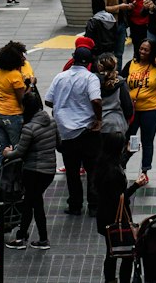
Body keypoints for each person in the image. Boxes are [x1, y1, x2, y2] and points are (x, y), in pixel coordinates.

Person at [45, 45, 102, 213]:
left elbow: (48, 100)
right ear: (90, 62)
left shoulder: (60, 77)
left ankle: (75, 205)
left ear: (73, 58)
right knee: (92, 169)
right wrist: (98, 119)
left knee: (72, 171)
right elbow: (96, 100)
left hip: (66, 133)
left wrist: (63, 107)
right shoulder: (90, 78)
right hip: (87, 130)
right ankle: (93, 205)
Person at [5, 90, 56, 250]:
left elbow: (19, 152)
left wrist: (7, 153)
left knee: (32, 203)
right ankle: (35, 238)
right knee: (33, 202)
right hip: (49, 170)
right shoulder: (52, 122)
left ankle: (27, 239)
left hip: (34, 171)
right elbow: (59, 144)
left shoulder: (29, 128)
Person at [95, 133, 150, 283]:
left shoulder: (103, 163)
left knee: (111, 251)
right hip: (117, 217)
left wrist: (129, 153)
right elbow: (120, 198)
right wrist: (136, 185)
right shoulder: (113, 173)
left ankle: (110, 280)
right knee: (127, 253)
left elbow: (119, 162)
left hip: (104, 214)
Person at [122, 39, 156, 178]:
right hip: (132, 111)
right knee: (129, 139)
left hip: (151, 110)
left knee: (147, 140)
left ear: (152, 53)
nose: (142, 51)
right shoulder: (131, 64)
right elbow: (121, 79)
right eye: (141, 48)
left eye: (146, 50)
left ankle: (145, 170)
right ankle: (122, 164)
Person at [0, 39, 34, 151]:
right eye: (21, 56)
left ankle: (0, 168)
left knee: (4, 148)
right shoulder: (15, 76)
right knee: (17, 148)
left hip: (0, 114)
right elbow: (22, 99)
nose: (24, 58)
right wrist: (31, 84)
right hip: (14, 116)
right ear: (14, 59)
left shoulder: (0, 72)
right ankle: (15, 169)